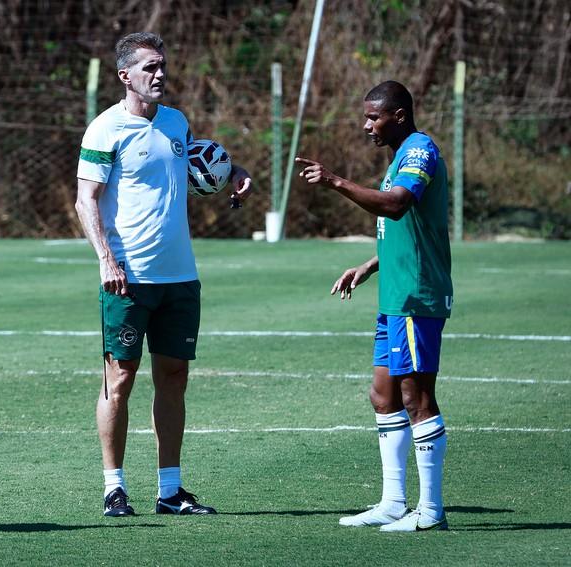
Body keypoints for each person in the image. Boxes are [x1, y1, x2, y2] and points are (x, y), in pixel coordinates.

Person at [75, 32, 252, 517]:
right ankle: (114, 487)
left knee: (173, 378)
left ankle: (170, 491)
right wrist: (107, 261)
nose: (159, 75)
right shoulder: (104, 130)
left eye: (163, 66)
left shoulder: (176, 122)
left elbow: (189, 159)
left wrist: (234, 170)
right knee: (120, 378)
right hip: (127, 277)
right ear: (124, 75)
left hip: (180, 277)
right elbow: (85, 200)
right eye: (149, 67)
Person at [296, 80, 452, 532]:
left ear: (399, 115)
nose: (367, 125)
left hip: (416, 296)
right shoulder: (399, 155)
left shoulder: (420, 151)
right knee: (383, 396)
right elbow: (405, 231)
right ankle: (392, 502)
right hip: (394, 295)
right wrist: (369, 264)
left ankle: (430, 511)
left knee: (416, 397)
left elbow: (398, 206)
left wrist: (334, 181)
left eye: (373, 117)